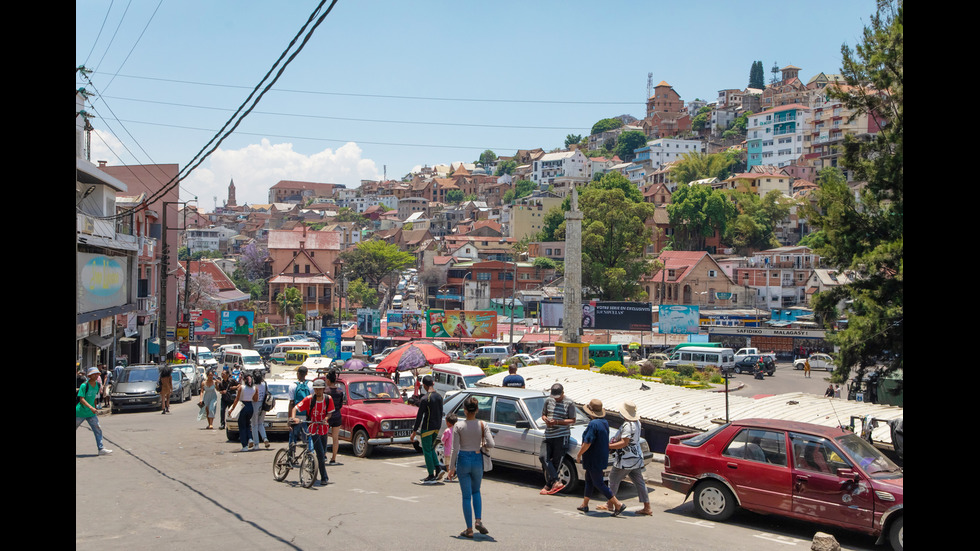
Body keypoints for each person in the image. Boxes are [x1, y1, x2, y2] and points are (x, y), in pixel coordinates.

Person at [447, 396, 494, 538]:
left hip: (463, 459)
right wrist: (482, 445)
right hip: (477, 457)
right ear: (477, 410)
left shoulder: (459, 426)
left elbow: (455, 449)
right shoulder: (482, 424)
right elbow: (491, 443)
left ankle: (469, 529)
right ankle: (478, 520)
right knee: (476, 491)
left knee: (466, 496)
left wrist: (451, 468)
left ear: (464, 410)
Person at [575, 399, 626, 515]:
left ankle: (618, 504)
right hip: (601, 456)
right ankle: (585, 504)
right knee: (589, 479)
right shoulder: (604, 422)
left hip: (593, 458)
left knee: (598, 483)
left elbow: (587, 443)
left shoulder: (593, 424)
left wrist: (579, 454)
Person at [604, 401, 651, 515]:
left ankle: (611, 504)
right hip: (636, 457)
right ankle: (647, 507)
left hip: (625, 459)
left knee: (613, 479)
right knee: (639, 482)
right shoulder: (637, 423)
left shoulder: (627, 426)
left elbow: (624, 443)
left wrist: (608, 446)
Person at [289, 378, 333, 486]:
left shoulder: (328, 399)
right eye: (316, 389)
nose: (318, 391)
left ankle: (314, 471)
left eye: (320, 389)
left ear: (323, 389)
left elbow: (330, 413)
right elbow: (295, 408)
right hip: (313, 428)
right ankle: (324, 477)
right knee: (321, 454)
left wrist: (326, 419)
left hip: (324, 429)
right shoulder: (309, 399)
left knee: (322, 453)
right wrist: (294, 418)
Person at [540, 383, 576, 495]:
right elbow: (543, 414)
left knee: (556, 461)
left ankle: (548, 485)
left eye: (558, 397)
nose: (556, 399)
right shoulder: (548, 401)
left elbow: (572, 420)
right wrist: (546, 419)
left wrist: (557, 422)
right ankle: (556, 481)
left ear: (563, 393)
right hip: (548, 434)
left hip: (561, 435)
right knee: (543, 457)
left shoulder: (569, 403)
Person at [410, 375, 444, 484]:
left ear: (424, 385)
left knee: (426, 451)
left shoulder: (425, 398)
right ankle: (438, 469)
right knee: (430, 449)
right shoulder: (439, 396)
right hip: (436, 428)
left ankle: (430, 475)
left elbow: (419, 416)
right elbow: (441, 413)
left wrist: (414, 432)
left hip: (427, 428)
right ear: (433, 383)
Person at [76, 367, 112, 455]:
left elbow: (94, 398)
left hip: (90, 413)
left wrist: (94, 407)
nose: (97, 376)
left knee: (98, 429)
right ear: (90, 375)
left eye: (97, 374)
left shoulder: (97, 385)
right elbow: (81, 399)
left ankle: (101, 449)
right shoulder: (84, 385)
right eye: (95, 374)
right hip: (80, 412)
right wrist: (91, 407)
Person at [229, 372, 256, 451]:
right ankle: (250, 438)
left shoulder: (241, 387)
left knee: (242, 426)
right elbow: (255, 399)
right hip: (250, 406)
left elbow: (237, 399)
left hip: (243, 406)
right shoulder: (254, 388)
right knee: (248, 424)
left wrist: (232, 409)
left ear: (244, 380)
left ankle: (244, 445)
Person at [288, 366, 312, 448]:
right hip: (306, 417)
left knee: (293, 437)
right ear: (306, 374)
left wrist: (290, 418)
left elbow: (291, 403)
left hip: (296, 416)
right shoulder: (311, 385)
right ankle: (310, 454)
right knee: (309, 438)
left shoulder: (293, 386)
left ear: (298, 374)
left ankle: (291, 454)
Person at [325, 369, 345, 465]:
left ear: (328, 380)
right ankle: (333, 458)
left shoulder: (325, 391)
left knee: (324, 436)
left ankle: (323, 455)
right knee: (335, 438)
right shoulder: (340, 391)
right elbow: (341, 405)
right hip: (337, 415)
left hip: (327, 416)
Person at [252, 371, 271, 449]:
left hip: (255, 404)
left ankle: (256, 444)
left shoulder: (253, 386)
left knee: (254, 425)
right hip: (263, 405)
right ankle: (265, 438)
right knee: (261, 423)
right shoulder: (265, 384)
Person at [441, 413, 458, 482]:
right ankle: (453, 475)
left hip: (448, 451)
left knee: (448, 465)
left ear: (448, 422)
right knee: (453, 464)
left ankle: (449, 476)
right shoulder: (456, 430)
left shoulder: (447, 431)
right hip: (455, 450)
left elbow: (443, 440)